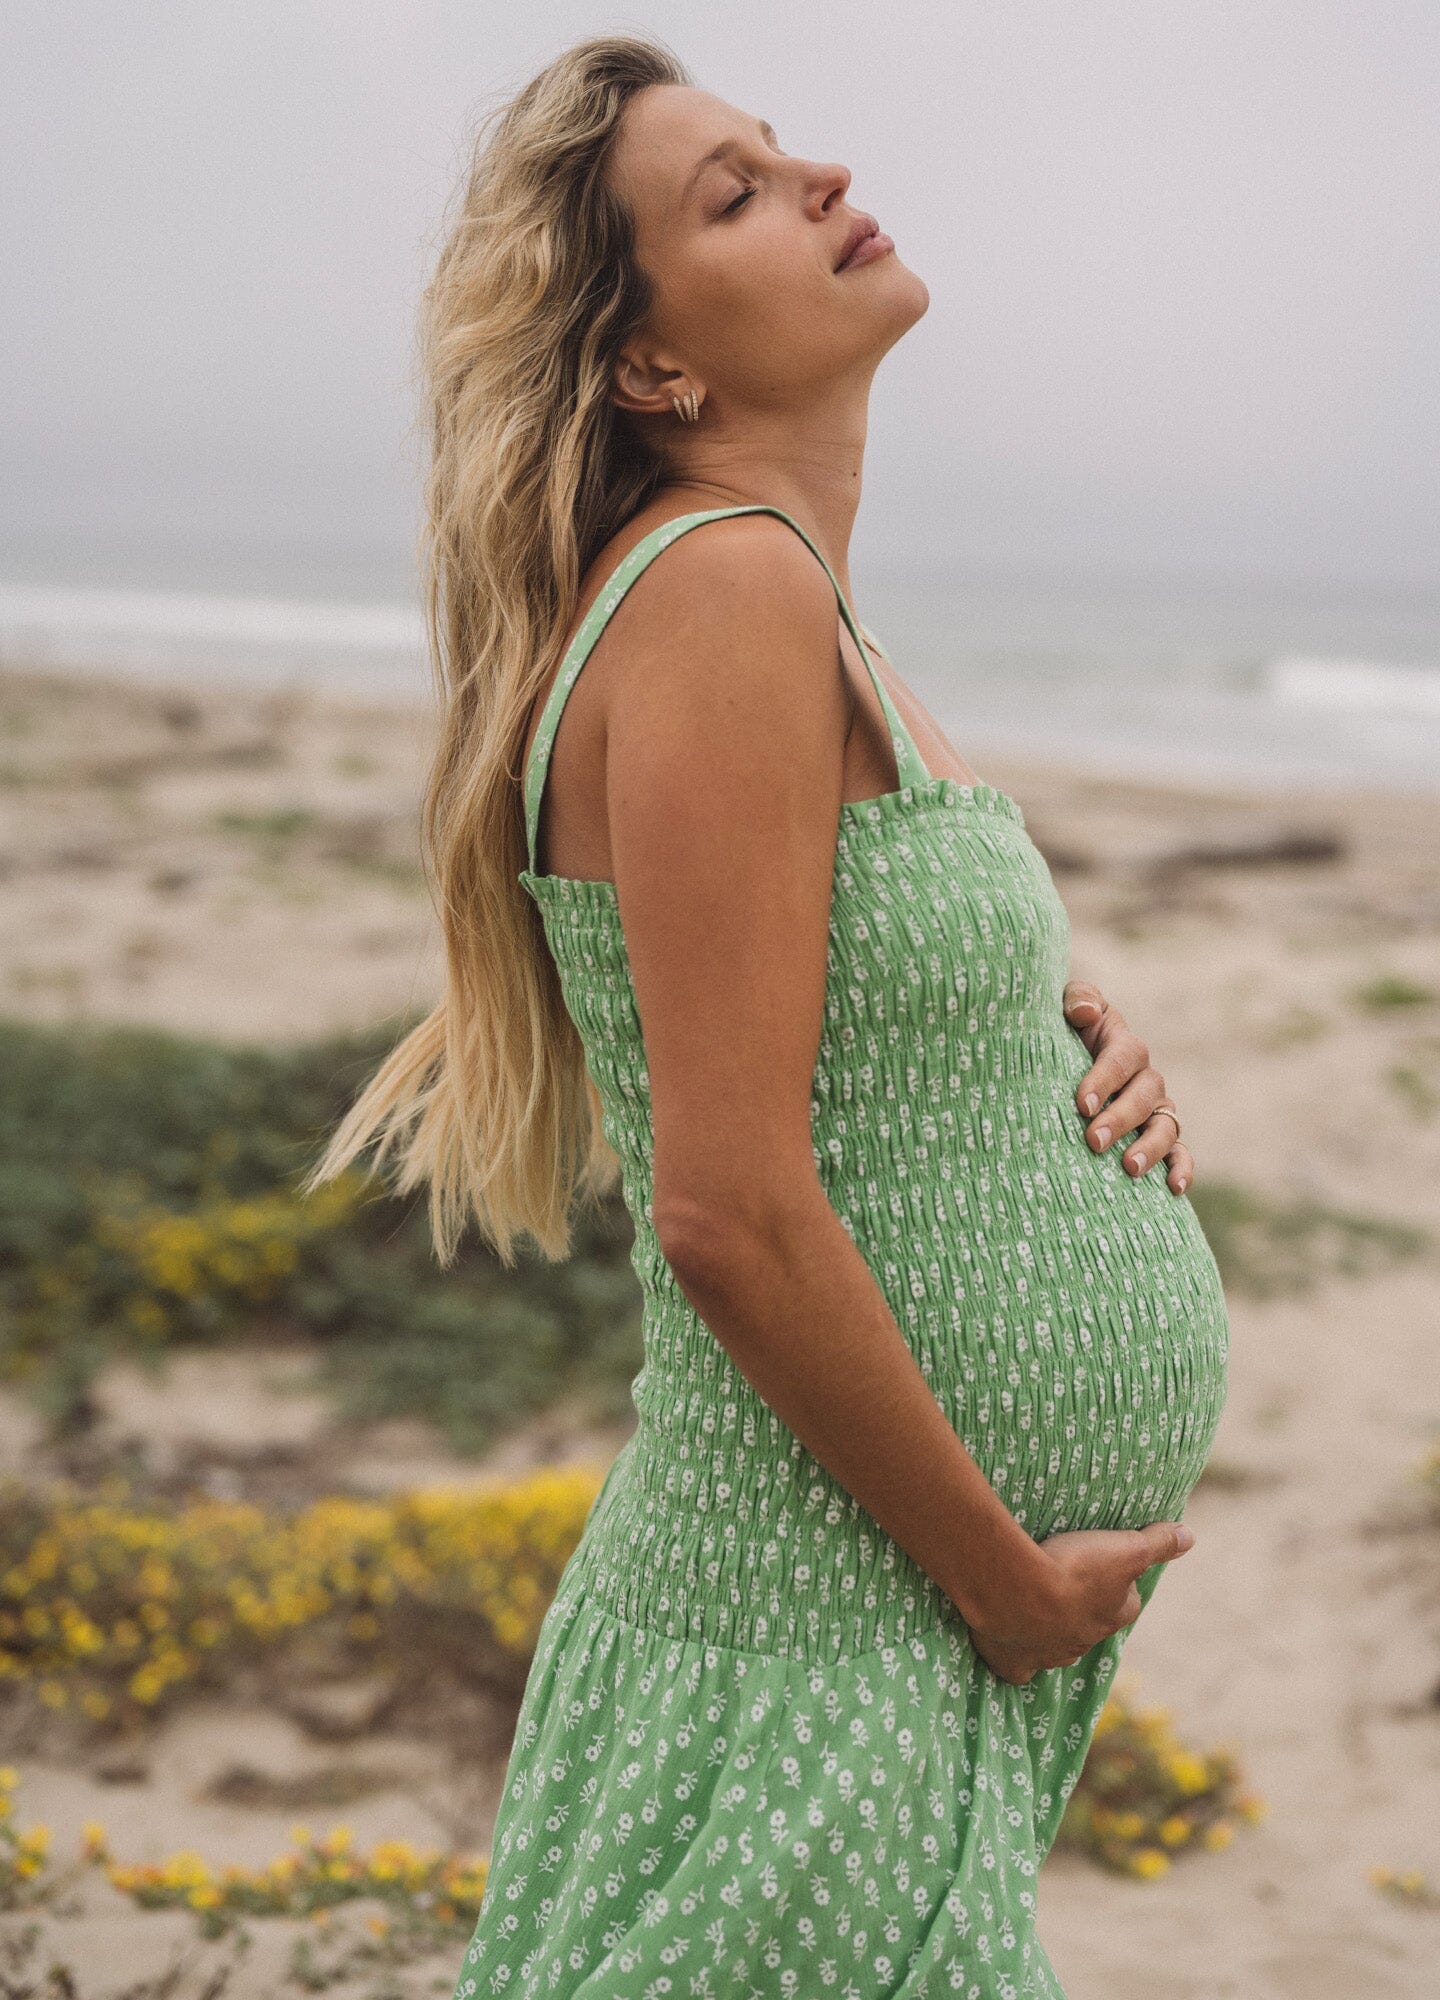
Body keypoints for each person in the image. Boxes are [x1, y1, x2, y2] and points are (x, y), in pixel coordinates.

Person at [311, 33, 1230, 2000]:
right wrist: (1000, 1583)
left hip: (864, 1625)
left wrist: (1051, 1029)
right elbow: (725, 1204)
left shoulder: (781, 603)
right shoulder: (724, 587)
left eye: (778, 153)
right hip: (840, 1620)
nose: (812, 181)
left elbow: (813, 1013)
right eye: (730, 193)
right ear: (652, 367)